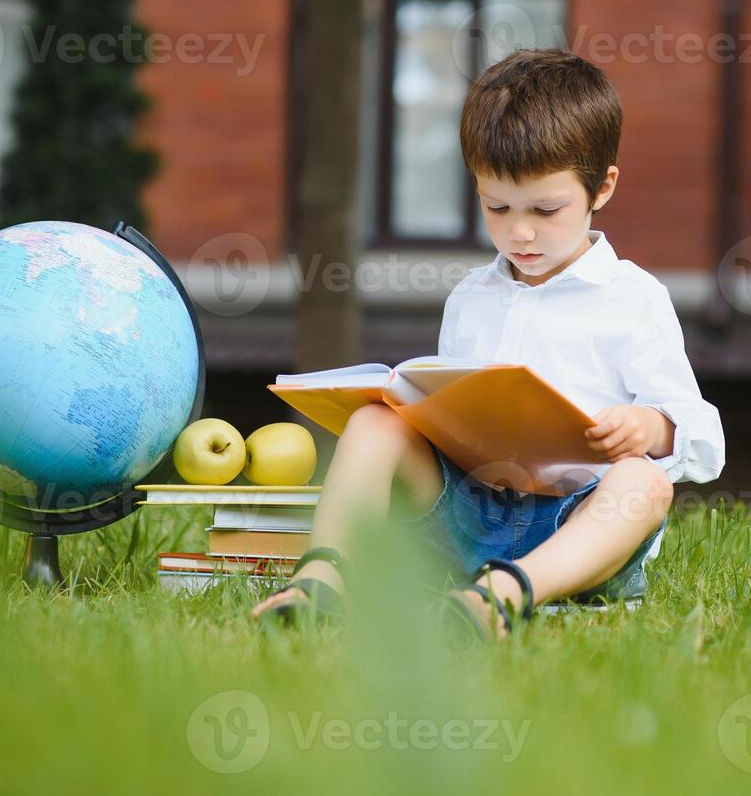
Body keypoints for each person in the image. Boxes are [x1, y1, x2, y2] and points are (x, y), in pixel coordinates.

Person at [251, 48, 726, 639]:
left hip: (576, 525)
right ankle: (321, 581)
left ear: (601, 189)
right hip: (471, 513)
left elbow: (704, 435)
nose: (519, 232)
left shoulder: (633, 298)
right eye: (496, 206)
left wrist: (652, 428)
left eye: (546, 210)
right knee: (376, 422)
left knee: (645, 484)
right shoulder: (471, 297)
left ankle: (502, 596)